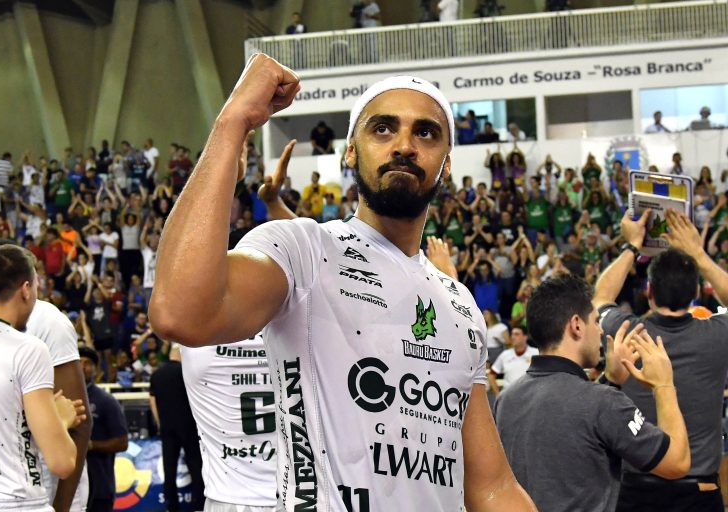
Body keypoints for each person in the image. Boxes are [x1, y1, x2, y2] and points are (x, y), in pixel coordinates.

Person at [150, 54, 536, 511]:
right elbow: (180, 313)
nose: (404, 146)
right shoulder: (304, 249)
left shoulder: (459, 304)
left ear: (446, 164)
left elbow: (491, 486)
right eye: (383, 129)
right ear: (351, 151)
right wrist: (232, 121)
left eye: (425, 133)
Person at [494, 274, 690, 512]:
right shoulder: (602, 402)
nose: (600, 331)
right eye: (596, 321)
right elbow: (676, 462)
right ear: (577, 325)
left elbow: (574, 417)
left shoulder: (506, 399)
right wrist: (664, 385)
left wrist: (610, 380)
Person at [594, 209, 728, 511]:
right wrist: (699, 254)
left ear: (649, 291)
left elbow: (600, 297)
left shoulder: (625, 332)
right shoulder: (718, 335)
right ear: (696, 291)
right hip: (699, 491)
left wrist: (632, 246)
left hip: (635, 491)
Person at [0, 240, 92, 512]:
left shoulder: (46, 322)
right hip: (19, 499)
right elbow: (62, 460)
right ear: (25, 289)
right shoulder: (28, 348)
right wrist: (60, 419)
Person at [181, 333, 278, 512]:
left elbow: (167, 323)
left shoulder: (199, 339)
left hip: (229, 496)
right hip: (301, 493)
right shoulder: (301, 333)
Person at [149, 344, 205, 512]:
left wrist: (160, 423)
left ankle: (171, 506)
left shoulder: (157, 374)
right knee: (195, 465)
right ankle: (198, 504)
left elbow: (152, 401)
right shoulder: (187, 372)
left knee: (169, 468)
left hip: (167, 426)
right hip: (189, 425)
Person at [79, 347, 128, 512]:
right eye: (78, 362)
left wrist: (91, 445)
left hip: (99, 485)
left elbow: (122, 442)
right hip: (70, 487)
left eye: (87, 363)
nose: (82, 366)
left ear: (96, 369)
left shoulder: (106, 401)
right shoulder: (61, 397)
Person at [488, 325, 538, 397]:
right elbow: (491, 374)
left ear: (525, 337)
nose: (513, 337)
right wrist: (498, 395)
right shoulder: (505, 355)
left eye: (516, 334)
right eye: (512, 334)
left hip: (530, 396)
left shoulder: (536, 353)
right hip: (508, 397)